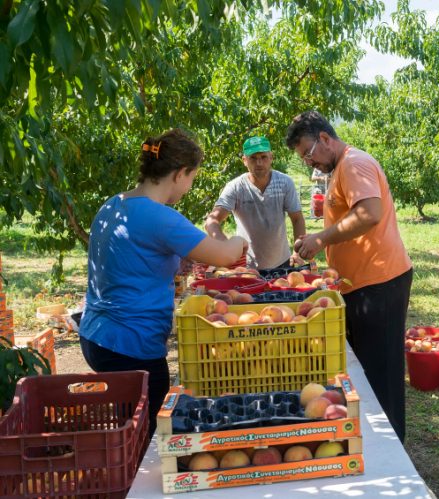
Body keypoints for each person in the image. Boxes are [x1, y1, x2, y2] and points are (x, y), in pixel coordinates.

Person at [79, 129, 247, 439]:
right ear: (180, 173)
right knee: (153, 438)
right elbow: (225, 256)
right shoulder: (160, 217)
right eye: (192, 178)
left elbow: (129, 260)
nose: (189, 187)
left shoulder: (113, 205)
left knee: (128, 426)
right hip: (130, 346)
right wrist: (238, 238)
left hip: (96, 336)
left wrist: (174, 263)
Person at [286, 111, 413, 442]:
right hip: (361, 284)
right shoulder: (341, 168)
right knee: (366, 371)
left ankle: (390, 447)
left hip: (379, 283)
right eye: (303, 159)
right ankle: (374, 440)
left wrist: (321, 239)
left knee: (381, 375)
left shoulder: (354, 163)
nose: (309, 163)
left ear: (325, 139)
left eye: (308, 154)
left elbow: (369, 214)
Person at [205, 136, 305, 270]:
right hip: (246, 266)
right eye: (253, 158)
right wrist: (225, 245)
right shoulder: (236, 187)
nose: (259, 163)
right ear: (245, 161)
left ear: (271, 158)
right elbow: (212, 221)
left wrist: (297, 252)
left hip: (282, 263)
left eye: (263, 157)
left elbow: (297, 218)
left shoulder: (285, 183)